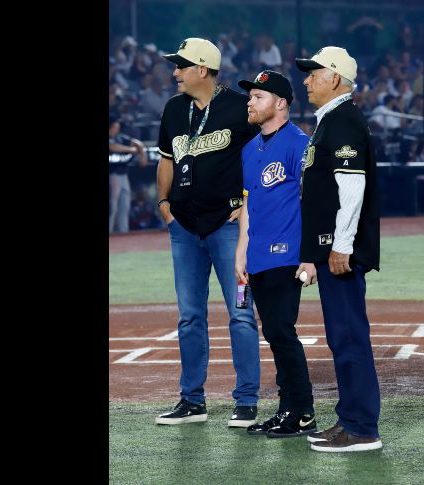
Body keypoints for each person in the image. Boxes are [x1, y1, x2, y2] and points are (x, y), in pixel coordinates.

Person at [153, 38, 262, 428]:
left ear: (202, 69)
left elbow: (261, 158)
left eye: (181, 65)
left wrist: (247, 206)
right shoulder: (173, 108)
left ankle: (247, 400)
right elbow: (167, 161)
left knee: (241, 313)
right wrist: (163, 205)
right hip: (183, 227)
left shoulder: (238, 107)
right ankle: (191, 400)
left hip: (227, 228)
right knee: (189, 316)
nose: (175, 72)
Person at [294, 46, 383, 452]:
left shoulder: (343, 120)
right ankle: (350, 418)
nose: (307, 79)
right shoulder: (332, 121)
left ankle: (362, 428)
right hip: (332, 248)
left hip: (340, 251)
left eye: (314, 73)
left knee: (348, 336)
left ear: (334, 78)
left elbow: (352, 188)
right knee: (342, 336)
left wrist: (341, 245)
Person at [234, 70, 316, 438]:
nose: (250, 102)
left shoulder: (300, 143)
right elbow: (248, 206)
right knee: (275, 333)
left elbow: (313, 201)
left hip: (287, 254)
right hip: (259, 256)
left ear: (281, 103)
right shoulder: (250, 149)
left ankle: (302, 412)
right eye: (250, 97)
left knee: (282, 331)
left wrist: (311, 255)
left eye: (258, 97)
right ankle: (288, 409)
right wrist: (241, 250)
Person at [109, 117, 147, 234]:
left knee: (124, 204)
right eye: (115, 127)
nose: (117, 129)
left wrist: (142, 153)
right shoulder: (112, 140)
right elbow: (112, 147)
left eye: (118, 127)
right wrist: (131, 150)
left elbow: (137, 143)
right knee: (112, 205)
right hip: (112, 175)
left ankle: (123, 232)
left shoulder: (120, 137)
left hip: (123, 174)